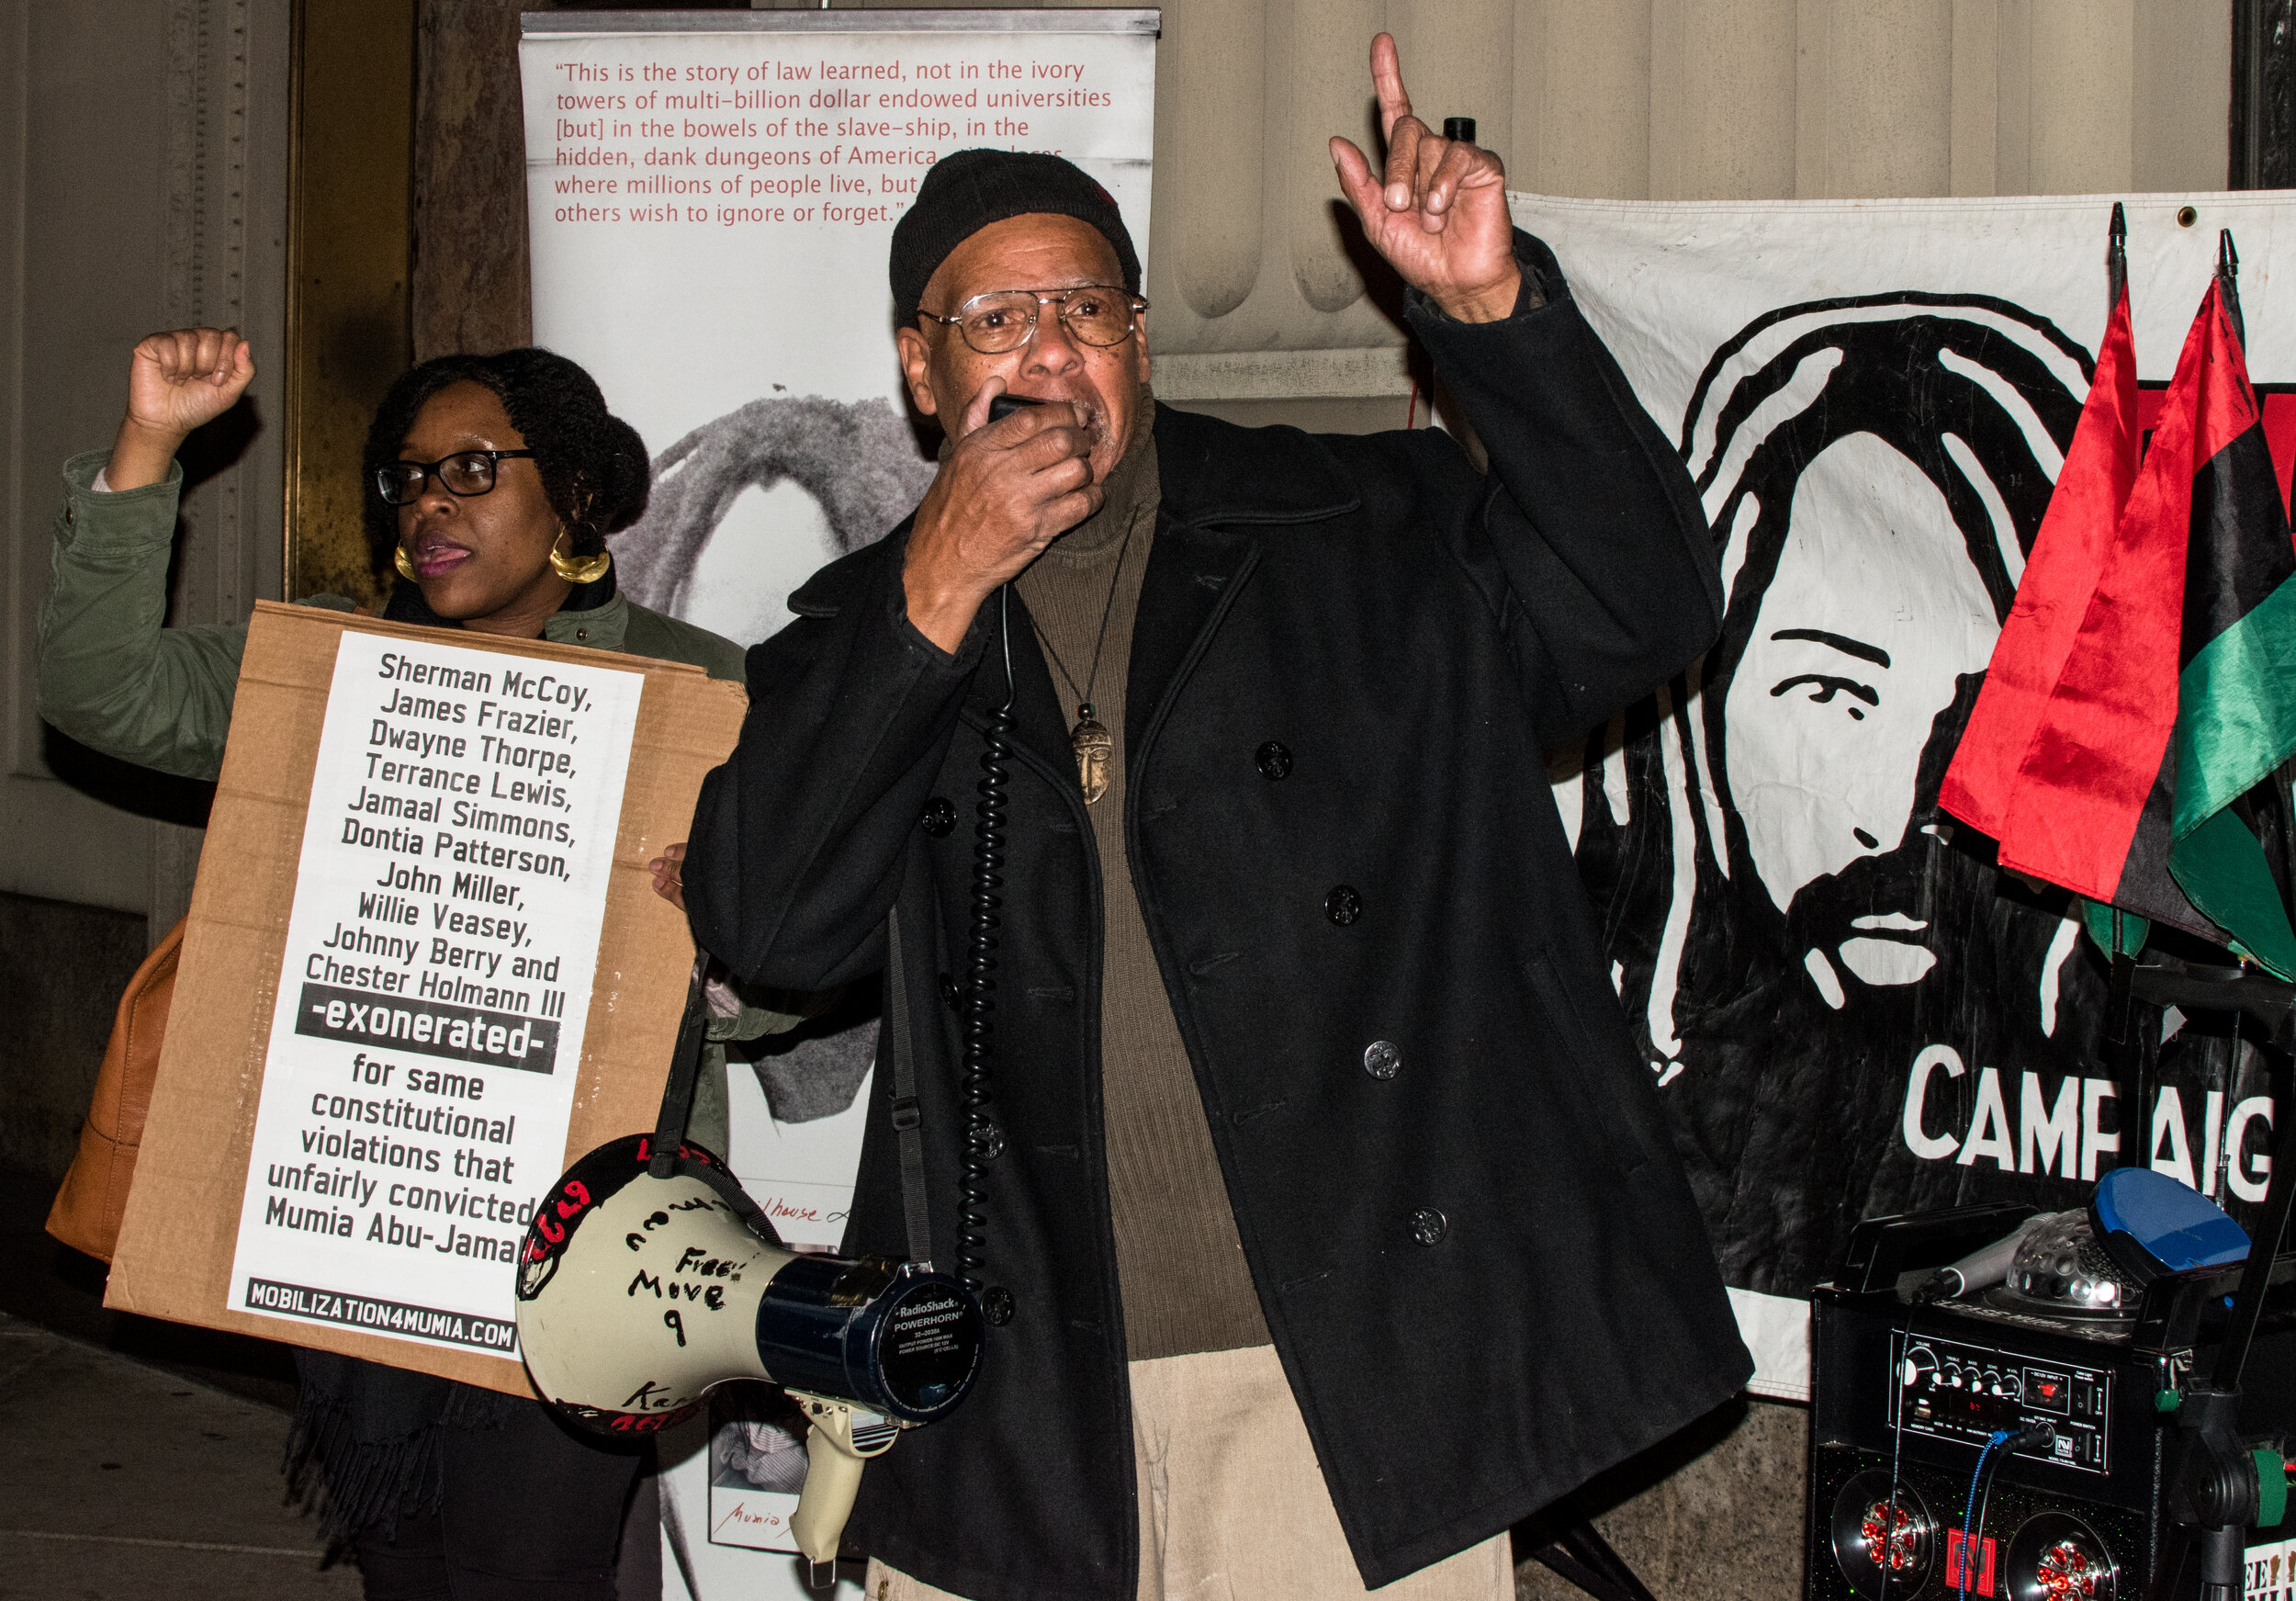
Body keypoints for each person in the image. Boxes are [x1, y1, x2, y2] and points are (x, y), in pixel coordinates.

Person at [683, 34, 1750, 1601]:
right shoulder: (861, 633)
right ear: (922, 370)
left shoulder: (1357, 529)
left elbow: (1644, 605)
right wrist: (933, 594)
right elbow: (771, 926)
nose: (1049, 351)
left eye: (1087, 309)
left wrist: (1489, 312)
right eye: (996, 319)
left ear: (1141, 339)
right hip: (1027, 1410)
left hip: (1353, 1387)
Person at [35, 330, 797, 1599]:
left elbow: (791, 972)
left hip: (580, 1248)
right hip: (372, 1216)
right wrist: (152, 443)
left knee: (533, 1565)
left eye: (474, 469)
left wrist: (707, 937)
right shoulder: (323, 667)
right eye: (409, 477)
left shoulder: (693, 690)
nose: (431, 500)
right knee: (406, 1561)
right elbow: (99, 687)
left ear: (574, 497)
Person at [1568, 298, 2096, 1297]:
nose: (1891, 811)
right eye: (1834, 697)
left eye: (1973, 717)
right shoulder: (1603, 1093)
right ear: (1699, 722)